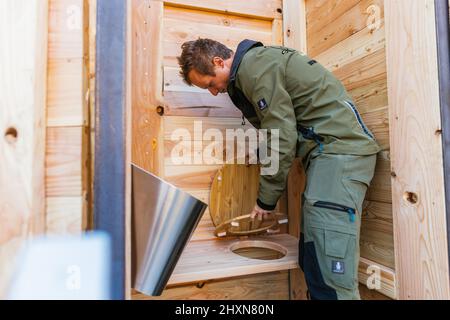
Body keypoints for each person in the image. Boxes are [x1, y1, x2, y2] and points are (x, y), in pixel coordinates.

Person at [177, 38, 381, 300]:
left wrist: (266, 200)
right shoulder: (257, 64)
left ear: (218, 62)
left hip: (340, 155)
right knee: (312, 260)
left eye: (209, 84)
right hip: (329, 156)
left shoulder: (254, 67)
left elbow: (281, 135)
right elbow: (287, 128)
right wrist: (262, 155)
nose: (214, 92)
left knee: (330, 274)